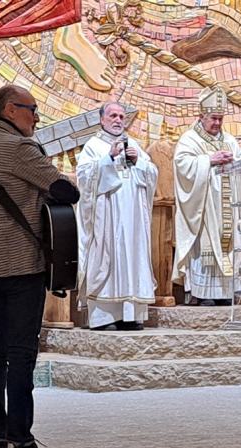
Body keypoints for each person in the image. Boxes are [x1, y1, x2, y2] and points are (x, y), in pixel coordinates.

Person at [0, 84, 78, 448]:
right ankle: (21, 441)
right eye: (32, 110)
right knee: (21, 354)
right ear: (11, 110)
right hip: (20, 264)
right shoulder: (18, 148)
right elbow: (65, 190)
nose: (36, 118)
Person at [76, 102, 158, 330]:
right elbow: (84, 177)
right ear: (102, 119)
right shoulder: (93, 146)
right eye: (113, 115)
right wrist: (108, 160)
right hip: (107, 217)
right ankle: (104, 317)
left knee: (132, 258)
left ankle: (130, 315)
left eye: (121, 116)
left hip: (133, 219)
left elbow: (152, 174)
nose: (118, 120)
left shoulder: (135, 146)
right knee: (108, 258)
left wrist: (138, 162)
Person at [172, 86, 241, 306]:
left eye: (220, 119)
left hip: (227, 209)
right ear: (201, 116)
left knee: (227, 247)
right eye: (213, 118)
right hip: (204, 209)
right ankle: (203, 293)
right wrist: (209, 160)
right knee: (206, 248)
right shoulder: (190, 139)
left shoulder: (231, 141)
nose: (217, 123)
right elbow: (182, 165)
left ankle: (225, 293)